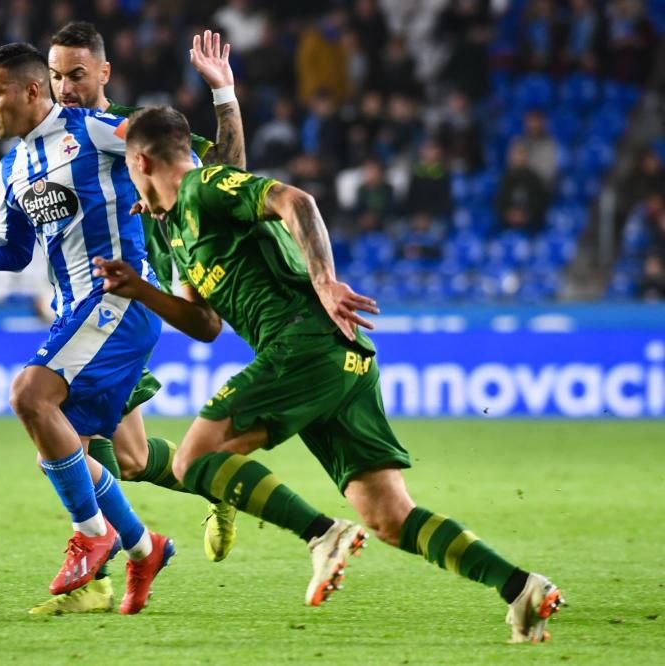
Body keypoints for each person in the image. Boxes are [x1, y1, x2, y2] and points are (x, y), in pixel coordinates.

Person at [93, 106, 565, 642]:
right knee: (387, 516)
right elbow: (204, 325)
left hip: (306, 342)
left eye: (127, 168)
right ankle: (521, 588)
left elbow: (297, 201)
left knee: (194, 458)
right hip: (335, 359)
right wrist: (142, 289)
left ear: (142, 160)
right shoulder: (174, 228)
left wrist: (323, 280)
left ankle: (321, 535)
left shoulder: (206, 186)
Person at [0, 23, 246, 615]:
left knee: (45, 410)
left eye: (75, 75)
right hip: (81, 313)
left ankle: (97, 566)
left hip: (125, 301)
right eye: (56, 76)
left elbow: (226, 172)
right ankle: (151, 537)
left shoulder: (125, 131)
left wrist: (223, 95)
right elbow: (33, 214)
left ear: (104, 73)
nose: (64, 87)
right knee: (105, 456)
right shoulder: (35, 147)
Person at [0, 43, 172, 615]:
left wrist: (161, 198)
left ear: (33, 91)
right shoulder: (15, 165)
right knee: (61, 448)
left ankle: (92, 533)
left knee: (29, 396)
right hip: (76, 309)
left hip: (120, 299)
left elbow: (174, 155)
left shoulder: (97, 130)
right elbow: (10, 252)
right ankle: (144, 547)